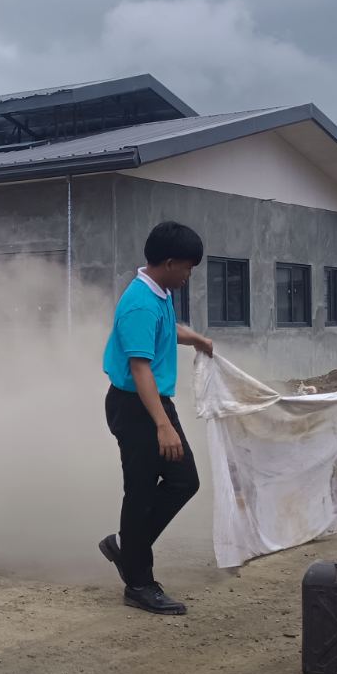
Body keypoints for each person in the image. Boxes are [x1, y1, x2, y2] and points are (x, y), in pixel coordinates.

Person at [97, 221, 215, 615]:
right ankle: (139, 583)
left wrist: (194, 338)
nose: (188, 275)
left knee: (184, 480)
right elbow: (140, 366)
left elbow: (162, 333)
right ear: (168, 262)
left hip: (152, 404)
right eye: (187, 268)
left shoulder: (158, 292)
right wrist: (162, 424)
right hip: (137, 407)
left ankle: (126, 546)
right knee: (143, 491)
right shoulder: (139, 304)